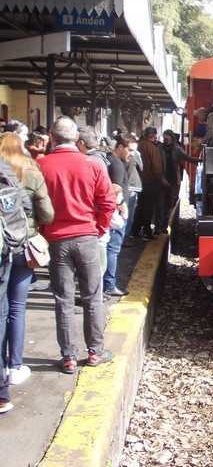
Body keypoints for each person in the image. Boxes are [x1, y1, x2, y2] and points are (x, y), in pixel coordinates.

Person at [38, 116, 116, 374]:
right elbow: (107, 202)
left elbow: (35, 205)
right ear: (75, 138)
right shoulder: (92, 164)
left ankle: (68, 357)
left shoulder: (42, 165)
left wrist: (44, 231)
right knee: (92, 297)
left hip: (57, 240)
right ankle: (95, 352)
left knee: (63, 299)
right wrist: (100, 228)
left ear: (52, 137)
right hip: (87, 238)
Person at [0, 133, 54, 385]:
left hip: (2, 248)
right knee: (18, 307)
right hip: (23, 244)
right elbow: (46, 213)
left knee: (1, 310)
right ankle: (16, 366)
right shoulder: (32, 171)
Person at [0, 154, 32, 413]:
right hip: (5, 250)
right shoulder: (4, 167)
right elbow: (27, 205)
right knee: (10, 309)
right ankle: (3, 388)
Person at [104, 133, 137, 296]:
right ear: (120, 147)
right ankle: (109, 284)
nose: (131, 154)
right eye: (130, 150)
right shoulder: (116, 164)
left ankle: (107, 283)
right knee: (113, 248)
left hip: (112, 212)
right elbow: (115, 189)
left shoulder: (111, 160)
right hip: (115, 213)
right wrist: (122, 208)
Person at [159, 129, 201, 232]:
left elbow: (187, 157)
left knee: (169, 203)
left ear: (171, 137)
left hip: (172, 178)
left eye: (167, 135)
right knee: (159, 203)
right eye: (164, 135)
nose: (165, 137)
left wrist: (200, 161)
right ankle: (158, 226)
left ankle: (164, 225)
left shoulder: (176, 148)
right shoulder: (159, 148)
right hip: (161, 177)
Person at [130, 126, 168, 241]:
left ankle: (135, 231)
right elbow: (156, 167)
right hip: (151, 181)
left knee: (140, 206)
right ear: (154, 136)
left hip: (139, 181)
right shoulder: (152, 148)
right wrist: (161, 179)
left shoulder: (138, 145)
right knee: (148, 207)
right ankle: (147, 231)